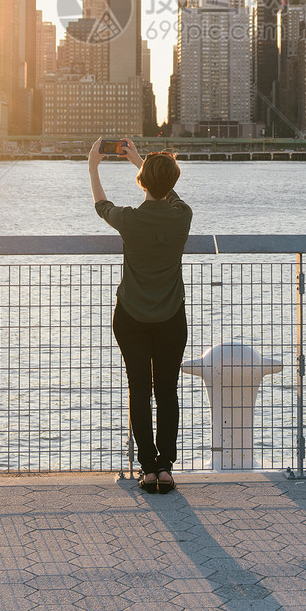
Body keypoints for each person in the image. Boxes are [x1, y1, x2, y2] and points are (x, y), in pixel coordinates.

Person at [88, 136, 192, 493]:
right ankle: (165, 467)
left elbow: (102, 205)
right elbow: (171, 196)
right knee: (167, 391)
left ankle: (147, 468)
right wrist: (142, 165)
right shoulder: (183, 217)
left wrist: (92, 166)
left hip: (130, 317)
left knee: (139, 390)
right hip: (171, 319)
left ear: (143, 183)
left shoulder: (128, 220)